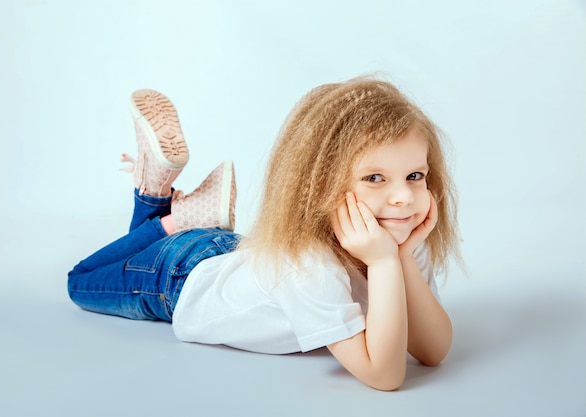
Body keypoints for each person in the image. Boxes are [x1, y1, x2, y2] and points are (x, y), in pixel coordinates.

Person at [68, 77, 461, 391]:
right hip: (176, 279)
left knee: (124, 254)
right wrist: (383, 262)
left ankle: (161, 198)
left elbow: (432, 351)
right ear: (319, 185)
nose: (403, 198)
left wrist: (401, 259)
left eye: (415, 176)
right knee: (80, 280)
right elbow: (385, 375)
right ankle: (168, 218)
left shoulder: (393, 240)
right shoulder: (310, 266)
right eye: (374, 178)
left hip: (231, 254)